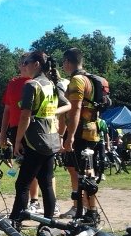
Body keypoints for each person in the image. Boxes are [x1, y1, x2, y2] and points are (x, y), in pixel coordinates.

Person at [10, 51, 69, 225]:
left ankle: (15, 222)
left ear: (36, 64)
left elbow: (25, 117)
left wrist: (18, 140)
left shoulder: (31, 85)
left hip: (34, 141)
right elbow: (67, 106)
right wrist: (50, 115)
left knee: (22, 184)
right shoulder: (51, 84)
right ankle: (48, 224)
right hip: (51, 140)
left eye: (26, 62)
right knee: (47, 184)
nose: (24, 65)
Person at [60, 47, 101, 224]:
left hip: (80, 131)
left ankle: (89, 210)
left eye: (64, 62)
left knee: (83, 170)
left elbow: (75, 109)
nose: (63, 66)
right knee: (80, 168)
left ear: (68, 62)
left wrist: (69, 136)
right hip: (91, 129)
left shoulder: (77, 80)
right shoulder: (89, 79)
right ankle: (82, 206)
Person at [0, 53, 41, 209]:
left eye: (27, 63)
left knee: (35, 167)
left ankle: (35, 200)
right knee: (22, 166)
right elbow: (7, 110)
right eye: (22, 63)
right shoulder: (13, 83)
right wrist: (3, 134)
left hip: (33, 128)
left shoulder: (36, 83)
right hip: (15, 128)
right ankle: (27, 202)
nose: (24, 66)